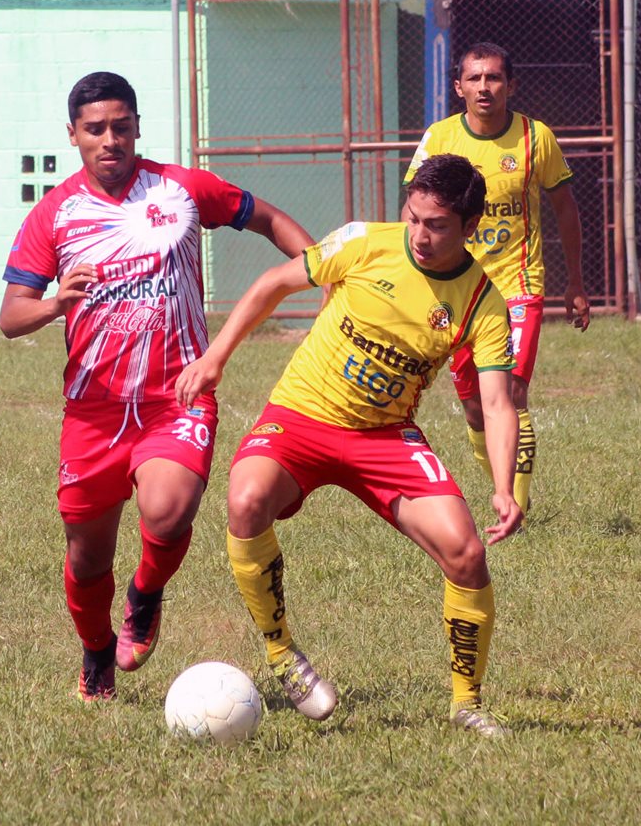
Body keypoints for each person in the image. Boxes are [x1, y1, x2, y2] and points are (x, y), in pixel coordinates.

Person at [174, 153, 523, 737]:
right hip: (302, 416)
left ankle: (468, 704)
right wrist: (215, 358)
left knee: (466, 554)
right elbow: (273, 283)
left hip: (386, 437)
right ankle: (284, 656)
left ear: (470, 226)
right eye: (413, 217)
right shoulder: (364, 242)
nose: (420, 234)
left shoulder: (482, 302)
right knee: (245, 501)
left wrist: (504, 487)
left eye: (436, 225)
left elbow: (496, 402)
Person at [0, 71, 313, 701]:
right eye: (95, 129)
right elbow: (11, 316)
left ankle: (145, 595)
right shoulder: (56, 214)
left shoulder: (183, 189)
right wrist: (57, 302)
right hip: (92, 413)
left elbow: (269, 218)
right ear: (74, 135)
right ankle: (95, 657)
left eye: (121, 126)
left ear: (138, 126)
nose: (110, 139)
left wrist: (324, 273)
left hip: (177, 398)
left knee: (167, 512)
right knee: (87, 558)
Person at [403, 42, 589, 515]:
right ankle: (502, 490)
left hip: (519, 284)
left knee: (510, 393)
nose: (485, 87)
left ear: (511, 85)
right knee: (474, 408)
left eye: (495, 78)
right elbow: (415, 210)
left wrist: (576, 283)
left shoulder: (535, 136)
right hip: (461, 286)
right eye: (476, 78)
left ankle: (515, 509)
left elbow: (565, 209)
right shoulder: (440, 138)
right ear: (459, 86)